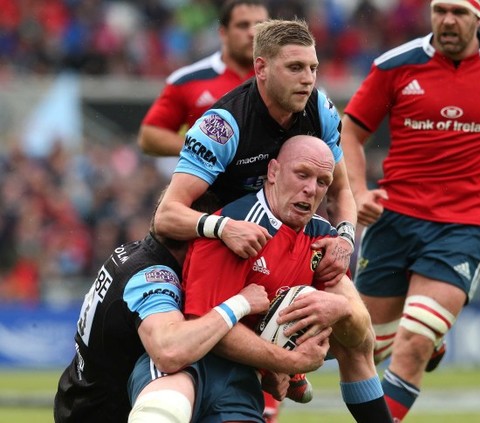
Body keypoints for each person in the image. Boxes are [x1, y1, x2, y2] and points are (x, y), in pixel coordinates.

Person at [341, 1, 480, 421]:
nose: (447, 20)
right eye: (440, 9)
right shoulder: (395, 65)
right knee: (364, 346)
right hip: (392, 221)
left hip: (461, 228)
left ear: (479, 16)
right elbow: (351, 129)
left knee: (412, 342)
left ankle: (426, 335)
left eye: (458, 11)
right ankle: (433, 333)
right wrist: (358, 191)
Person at [152, 17, 358, 421]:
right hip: (217, 256)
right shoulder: (222, 125)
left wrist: (346, 239)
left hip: (278, 242)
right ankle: (276, 369)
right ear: (261, 68)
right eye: (295, 68)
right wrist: (223, 227)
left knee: (360, 327)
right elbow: (166, 215)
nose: (308, 79)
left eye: (313, 68)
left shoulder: (320, 109)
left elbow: (342, 192)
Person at [128, 135, 392, 423]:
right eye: (302, 174)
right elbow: (203, 331)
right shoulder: (236, 230)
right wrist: (289, 362)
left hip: (242, 381)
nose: (310, 189)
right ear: (273, 172)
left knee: (356, 337)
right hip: (189, 367)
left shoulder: (324, 239)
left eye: (322, 182)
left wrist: (340, 309)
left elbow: (359, 335)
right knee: (160, 413)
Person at [53, 194, 271, 423]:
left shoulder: (133, 253)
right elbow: (169, 351)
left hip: (78, 400)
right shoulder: (155, 277)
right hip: (101, 415)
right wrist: (240, 303)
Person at [138, 0, 269, 158]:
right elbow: (149, 137)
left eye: (260, 25)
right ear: (223, 33)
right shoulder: (188, 80)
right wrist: (207, 149)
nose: (253, 33)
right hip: (211, 181)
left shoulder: (285, 76)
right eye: (242, 25)